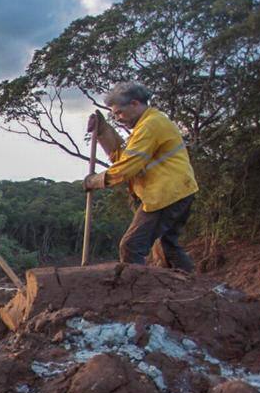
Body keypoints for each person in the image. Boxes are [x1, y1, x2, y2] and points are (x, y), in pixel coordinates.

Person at [84, 81, 198, 271]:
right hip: (177, 192)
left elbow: (128, 167)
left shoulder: (151, 125)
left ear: (135, 104)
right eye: (114, 115)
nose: (118, 118)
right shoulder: (147, 125)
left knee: (131, 246)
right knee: (167, 247)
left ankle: (137, 292)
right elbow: (122, 156)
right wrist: (103, 131)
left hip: (166, 195)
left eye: (119, 112)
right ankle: (190, 288)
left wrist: (94, 181)